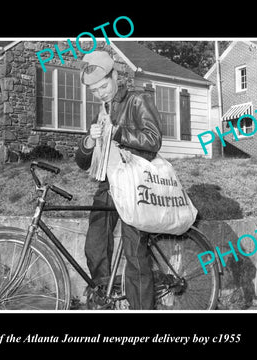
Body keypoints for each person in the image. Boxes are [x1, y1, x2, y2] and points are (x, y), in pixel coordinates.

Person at [75, 51, 163, 310]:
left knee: (135, 255)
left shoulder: (137, 100)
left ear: (115, 76)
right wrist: (90, 141)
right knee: (95, 246)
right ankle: (106, 297)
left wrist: (118, 132)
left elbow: (153, 140)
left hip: (135, 184)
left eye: (103, 86)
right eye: (93, 90)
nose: (100, 93)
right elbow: (81, 162)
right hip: (108, 185)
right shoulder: (100, 112)